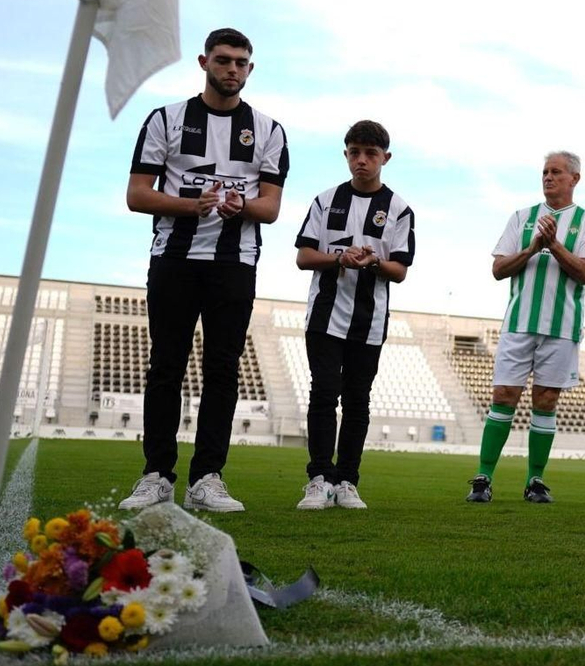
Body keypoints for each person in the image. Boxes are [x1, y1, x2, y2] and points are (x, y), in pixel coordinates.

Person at [118, 28, 289, 513]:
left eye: (240, 62)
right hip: (174, 258)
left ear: (250, 70)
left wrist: (242, 205)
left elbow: (271, 207)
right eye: (222, 60)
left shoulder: (269, 131)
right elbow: (137, 194)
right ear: (203, 62)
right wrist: (191, 205)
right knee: (166, 366)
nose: (231, 69)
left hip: (234, 264)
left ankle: (208, 478)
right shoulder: (166, 119)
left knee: (222, 370)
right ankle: (156, 475)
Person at [292, 120, 416, 511]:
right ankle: (318, 479)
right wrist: (338, 258)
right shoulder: (325, 201)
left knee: (358, 400)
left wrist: (373, 262)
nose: (361, 161)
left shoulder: (398, 209)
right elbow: (303, 257)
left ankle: (347, 481)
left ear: (386, 158)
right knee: (324, 394)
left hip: (370, 319)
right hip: (325, 316)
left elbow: (400, 270)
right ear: (346, 155)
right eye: (354, 153)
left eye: (370, 154)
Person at [466, 151, 585, 505]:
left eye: (556, 172)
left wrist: (554, 245)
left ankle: (535, 481)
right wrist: (532, 249)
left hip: (562, 327)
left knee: (545, 400)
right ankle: (483, 477)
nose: (548, 177)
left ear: (574, 178)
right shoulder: (522, 217)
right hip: (518, 323)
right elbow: (498, 269)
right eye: (544, 172)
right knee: (503, 397)